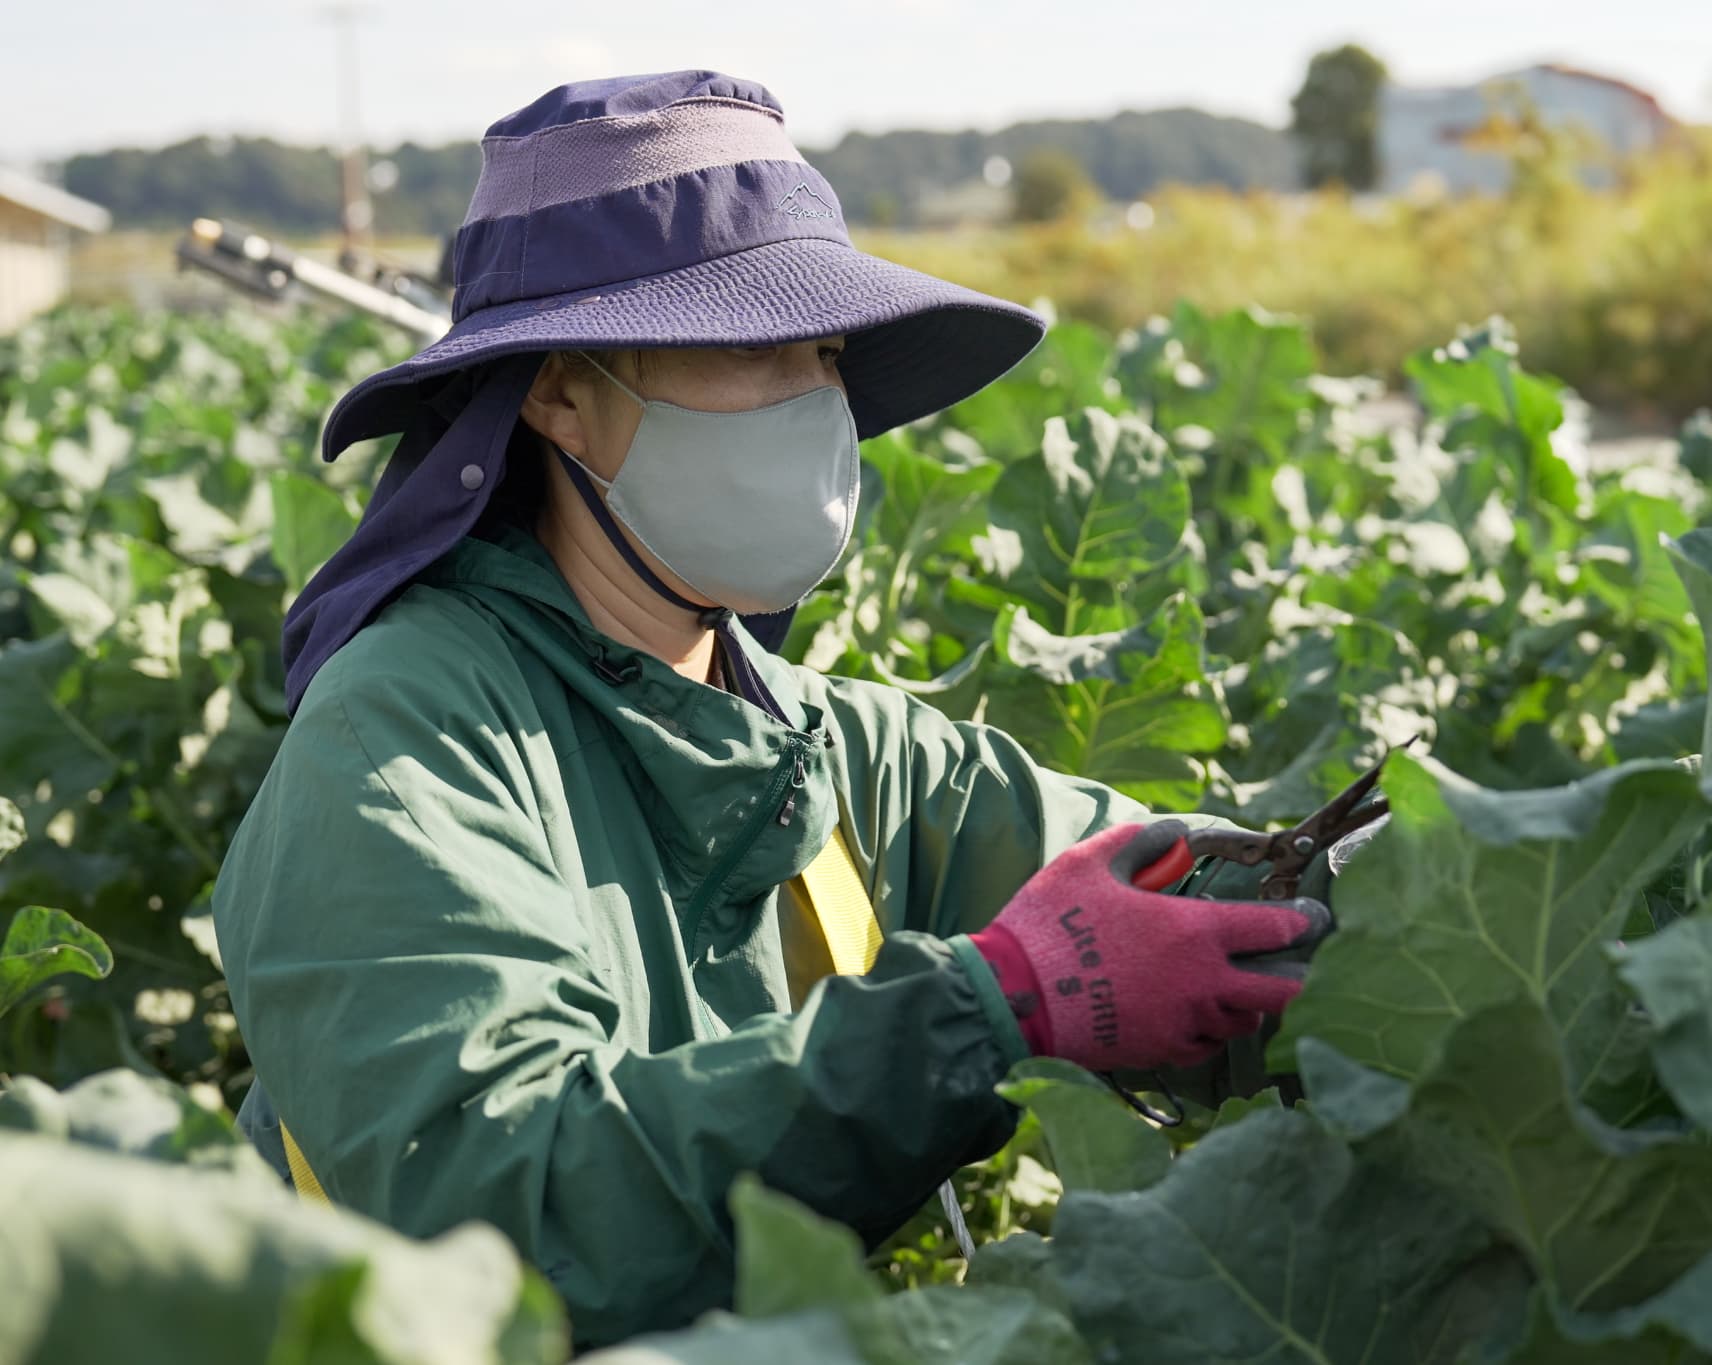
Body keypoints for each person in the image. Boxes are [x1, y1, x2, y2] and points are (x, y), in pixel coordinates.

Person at [212, 69, 1328, 1350]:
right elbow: (502, 1224)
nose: (816, 398)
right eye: (754, 343)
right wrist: (993, 1004)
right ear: (557, 394)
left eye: (827, 350)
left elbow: (1199, 897)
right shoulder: (401, 738)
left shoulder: (836, 746)